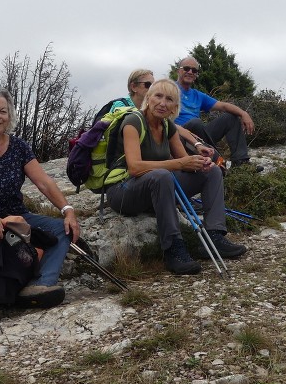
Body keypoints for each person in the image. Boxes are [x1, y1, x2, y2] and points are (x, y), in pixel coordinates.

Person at [0, 88, 80, 325]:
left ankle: (39, 284)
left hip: (15, 216)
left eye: (3, 111)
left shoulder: (18, 146)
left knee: (62, 229)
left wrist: (68, 209)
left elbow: (43, 182)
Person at [106, 78, 247, 275]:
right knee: (163, 176)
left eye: (169, 99)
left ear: (175, 107)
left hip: (156, 190)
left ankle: (215, 234)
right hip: (123, 191)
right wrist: (180, 164)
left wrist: (199, 162)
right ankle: (174, 248)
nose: (163, 103)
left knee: (213, 171)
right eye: (158, 96)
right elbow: (135, 168)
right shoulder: (133, 122)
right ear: (148, 98)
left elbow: (183, 161)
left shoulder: (167, 126)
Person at [173, 56, 259, 170]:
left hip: (200, 135)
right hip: (179, 135)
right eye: (186, 68)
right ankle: (217, 161)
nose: (190, 72)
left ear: (197, 74)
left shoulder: (197, 95)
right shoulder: (169, 89)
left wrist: (243, 113)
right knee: (195, 123)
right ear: (178, 70)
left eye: (194, 70)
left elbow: (223, 105)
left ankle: (241, 163)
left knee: (230, 118)